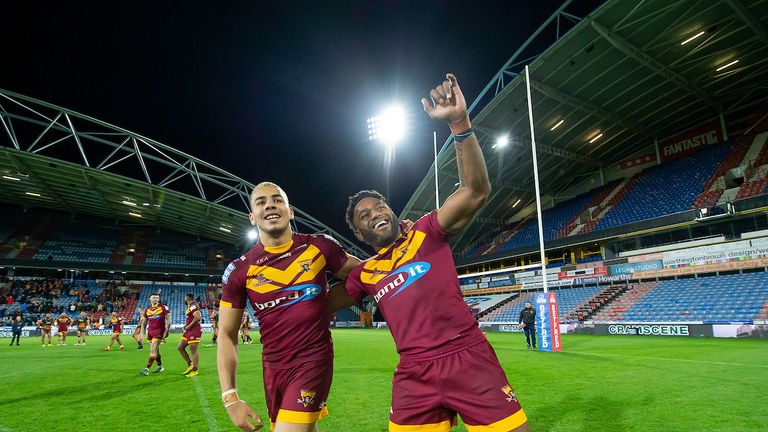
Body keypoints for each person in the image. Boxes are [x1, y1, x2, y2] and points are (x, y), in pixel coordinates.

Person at [339, 74, 529, 432]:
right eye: (365, 215)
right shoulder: (364, 274)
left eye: (380, 207)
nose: (376, 214)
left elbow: (475, 191)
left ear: (393, 212)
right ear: (359, 233)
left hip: (468, 356)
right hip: (413, 373)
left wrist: (459, 123)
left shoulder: (426, 230)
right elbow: (313, 304)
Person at [217, 182, 359, 432]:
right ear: (252, 217)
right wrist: (230, 397)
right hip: (273, 367)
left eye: (277, 200)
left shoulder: (319, 246)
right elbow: (227, 334)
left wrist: (402, 245)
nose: (270, 205)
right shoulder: (239, 271)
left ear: (290, 211)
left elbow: (368, 275)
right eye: (261, 202)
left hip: (313, 360)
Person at [138, 293, 171, 375]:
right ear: (150, 299)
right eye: (154, 297)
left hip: (159, 331)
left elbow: (168, 319)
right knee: (156, 351)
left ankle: (146, 369)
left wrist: (167, 330)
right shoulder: (147, 309)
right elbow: (144, 322)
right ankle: (160, 366)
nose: (155, 299)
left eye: (157, 297)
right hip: (150, 332)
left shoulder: (163, 307)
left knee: (152, 351)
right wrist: (142, 333)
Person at [179, 293, 202, 377]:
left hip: (194, 330)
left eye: (185, 299)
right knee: (180, 347)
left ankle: (195, 370)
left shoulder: (193, 305)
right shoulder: (191, 306)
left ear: (187, 299)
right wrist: (186, 325)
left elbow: (198, 316)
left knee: (193, 350)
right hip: (188, 331)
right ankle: (190, 365)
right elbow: (192, 317)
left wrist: (189, 326)